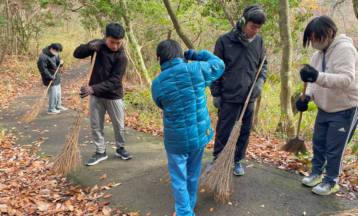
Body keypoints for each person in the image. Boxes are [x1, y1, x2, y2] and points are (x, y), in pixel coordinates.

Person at [151, 39, 225, 216]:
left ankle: (184, 212)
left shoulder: (157, 83)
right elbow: (219, 64)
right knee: (193, 174)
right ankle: (188, 205)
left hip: (176, 141)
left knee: (178, 179)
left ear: (159, 58)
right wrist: (197, 54)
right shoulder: (196, 69)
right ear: (180, 54)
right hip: (198, 135)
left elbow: (160, 104)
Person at [297, 15, 358, 195]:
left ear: (330, 32)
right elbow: (314, 83)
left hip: (345, 108)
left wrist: (317, 76)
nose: (313, 42)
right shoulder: (318, 54)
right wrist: (307, 97)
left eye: (316, 38)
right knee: (319, 143)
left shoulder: (345, 49)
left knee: (334, 147)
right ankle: (316, 173)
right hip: (325, 107)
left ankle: (331, 181)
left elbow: (347, 79)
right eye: (311, 39)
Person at [208, 5, 268, 175]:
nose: (256, 31)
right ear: (242, 23)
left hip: (249, 97)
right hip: (228, 96)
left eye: (259, 27)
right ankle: (218, 159)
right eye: (253, 27)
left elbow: (263, 64)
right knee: (224, 130)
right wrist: (216, 93)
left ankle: (236, 161)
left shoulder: (258, 41)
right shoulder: (224, 41)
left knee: (244, 131)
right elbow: (215, 69)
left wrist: (260, 83)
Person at [73, 22, 131, 166]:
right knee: (96, 124)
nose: (115, 46)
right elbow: (76, 54)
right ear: (105, 36)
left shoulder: (121, 56)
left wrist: (93, 89)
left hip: (113, 95)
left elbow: (115, 81)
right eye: (112, 42)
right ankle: (100, 152)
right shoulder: (97, 46)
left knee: (119, 125)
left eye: (119, 43)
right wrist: (88, 46)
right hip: (97, 96)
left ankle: (120, 148)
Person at [37, 43, 67, 115]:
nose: (57, 52)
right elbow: (43, 69)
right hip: (50, 78)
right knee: (53, 94)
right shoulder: (43, 57)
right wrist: (50, 76)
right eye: (56, 50)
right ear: (51, 48)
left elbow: (59, 63)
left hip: (56, 77)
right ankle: (51, 109)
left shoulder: (56, 55)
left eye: (58, 51)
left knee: (58, 94)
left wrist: (61, 63)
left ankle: (58, 106)